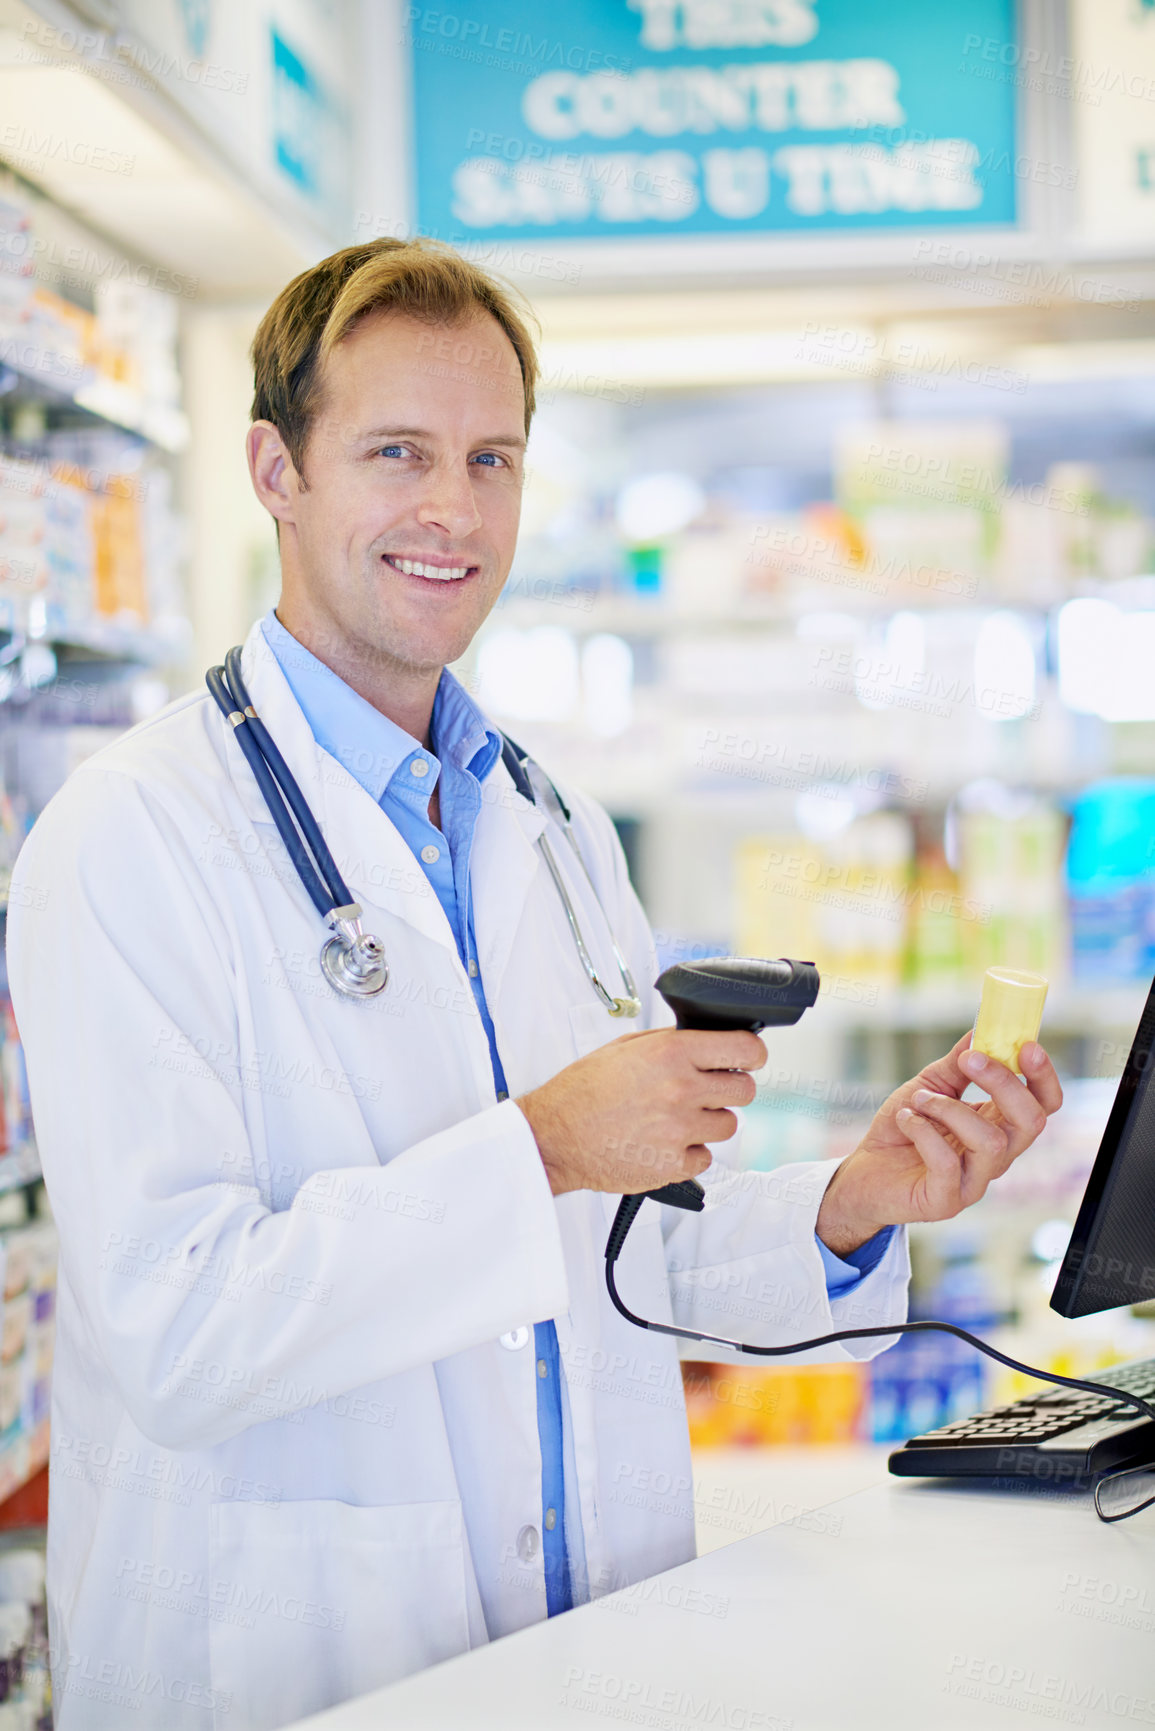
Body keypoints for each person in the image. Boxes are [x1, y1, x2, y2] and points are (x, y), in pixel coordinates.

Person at [6, 239, 1062, 1731]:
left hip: (594, 1663)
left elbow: (619, 1260)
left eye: (492, 458)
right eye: (396, 452)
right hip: (294, 1674)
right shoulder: (127, 837)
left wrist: (857, 1199)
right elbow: (179, 1331)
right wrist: (545, 1143)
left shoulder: (547, 828)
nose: (454, 510)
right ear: (274, 470)